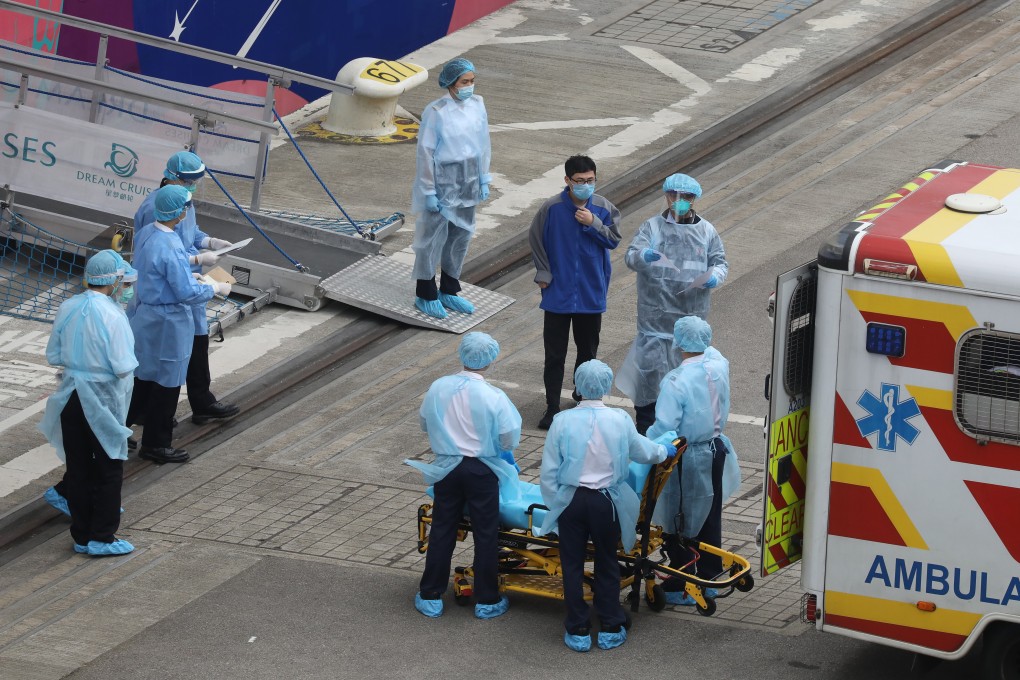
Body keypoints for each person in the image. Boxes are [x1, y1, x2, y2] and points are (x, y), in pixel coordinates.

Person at [538, 360, 677, 652]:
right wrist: (664, 450)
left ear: (577, 386)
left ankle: (577, 626)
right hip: (606, 502)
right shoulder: (619, 419)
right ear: (605, 386)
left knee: (572, 565)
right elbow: (642, 451)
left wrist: (555, 508)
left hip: (571, 501)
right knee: (607, 562)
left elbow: (549, 472)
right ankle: (611, 623)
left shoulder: (561, 421)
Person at [405, 332, 521, 619]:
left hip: (447, 468)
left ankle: (431, 593)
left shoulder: (438, 387)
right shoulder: (494, 396)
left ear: (462, 354)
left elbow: (423, 423)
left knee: (443, 528)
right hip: (482, 470)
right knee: (486, 533)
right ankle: (487, 599)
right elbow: (509, 439)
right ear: (490, 360)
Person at [37, 250, 137, 556]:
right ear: (115, 280)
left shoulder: (69, 305)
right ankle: (102, 536)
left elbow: (54, 354)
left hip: (70, 395)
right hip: (102, 398)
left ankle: (81, 535)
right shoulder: (113, 315)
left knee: (78, 467)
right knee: (109, 467)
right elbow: (122, 364)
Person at [131, 151, 239, 426]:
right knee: (161, 365)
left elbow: (190, 231)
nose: (193, 188)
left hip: (186, 288)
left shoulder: (181, 203)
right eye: (190, 181)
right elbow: (154, 256)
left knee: (195, 345)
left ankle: (199, 402)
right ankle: (145, 416)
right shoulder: (155, 209)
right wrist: (199, 265)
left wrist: (209, 242)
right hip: (172, 294)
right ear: (174, 178)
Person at [616, 173, 728, 434]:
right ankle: (648, 450)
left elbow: (720, 263)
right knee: (649, 397)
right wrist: (644, 255)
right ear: (666, 196)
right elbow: (631, 257)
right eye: (674, 196)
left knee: (685, 395)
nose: (680, 201)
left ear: (695, 198)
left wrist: (714, 277)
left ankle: (678, 449)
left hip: (689, 327)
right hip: (654, 327)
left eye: (686, 196)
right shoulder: (652, 228)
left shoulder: (707, 231)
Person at [129, 185, 230, 465]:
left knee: (142, 379)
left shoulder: (148, 233)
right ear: (179, 212)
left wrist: (194, 267)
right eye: (186, 206)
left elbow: (161, 270)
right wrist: (215, 288)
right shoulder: (171, 243)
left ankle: (120, 432)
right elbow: (185, 291)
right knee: (168, 382)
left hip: (147, 317)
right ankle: (156, 443)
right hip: (169, 321)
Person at [646, 317, 740, 605]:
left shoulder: (676, 382)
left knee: (679, 518)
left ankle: (680, 581)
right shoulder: (717, 365)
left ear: (678, 342)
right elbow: (710, 352)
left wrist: (645, 445)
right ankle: (709, 576)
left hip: (687, 458)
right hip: (715, 448)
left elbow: (665, 427)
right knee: (709, 514)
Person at [529, 155, 621, 430]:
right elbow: (536, 240)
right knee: (554, 354)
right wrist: (543, 274)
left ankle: (582, 398)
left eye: (590, 181)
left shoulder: (604, 208)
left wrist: (593, 222)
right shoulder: (552, 208)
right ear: (567, 180)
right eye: (579, 181)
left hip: (591, 293)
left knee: (588, 353)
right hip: (558, 293)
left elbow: (614, 240)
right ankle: (552, 407)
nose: (585, 186)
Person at [410, 57, 491, 320]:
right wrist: (429, 191)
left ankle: (449, 288)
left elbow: (483, 143)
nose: (470, 86)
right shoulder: (436, 112)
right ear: (451, 83)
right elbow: (425, 153)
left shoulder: (477, 105)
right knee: (431, 237)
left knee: (461, 234)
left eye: (472, 81)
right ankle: (425, 292)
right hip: (444, 177)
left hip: (469, 176)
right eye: (464, 82)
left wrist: (483, 178)